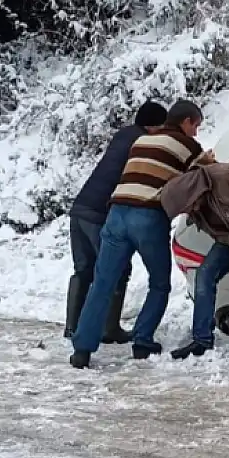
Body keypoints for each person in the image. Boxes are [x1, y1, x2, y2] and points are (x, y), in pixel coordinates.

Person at [69, 101, 212, 369]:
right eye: (196, 126)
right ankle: (143, 341)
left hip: (116, 212)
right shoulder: (188, 146)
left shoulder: (143, 141)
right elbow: (201, 175)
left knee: (103, 282)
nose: (196, 133)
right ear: (186, 122)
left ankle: (82, 348)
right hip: (148, 216)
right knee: (159, 283)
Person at [65, 100, 167, 343]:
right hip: (100, 213)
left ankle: (72, 327)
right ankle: (108, 328)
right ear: (153, 126)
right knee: (116, 269)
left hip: (80, 208)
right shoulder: (143, 142)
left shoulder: (123, 134)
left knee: (83, 269)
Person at [160, 161, 229, 359]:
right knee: (204, 275)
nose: (187, 212)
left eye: (186, 207)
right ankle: (201, 340)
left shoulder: (227, 175)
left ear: (193, 194)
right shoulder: (196, 208)